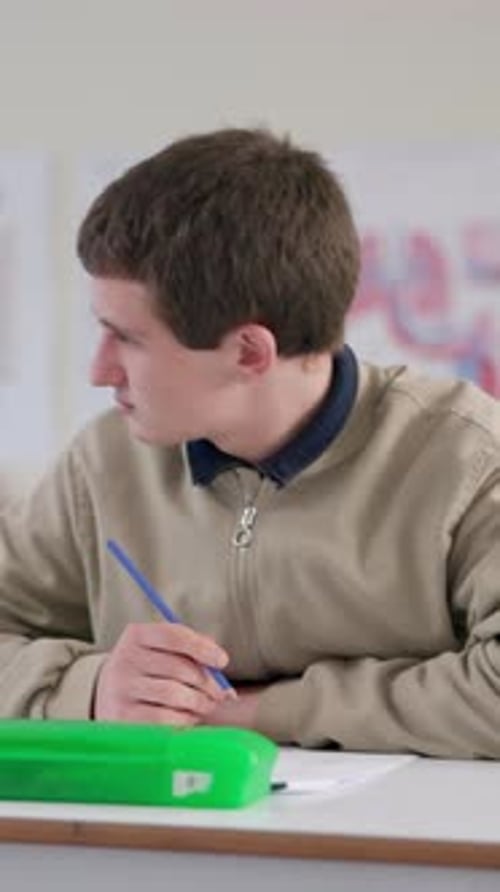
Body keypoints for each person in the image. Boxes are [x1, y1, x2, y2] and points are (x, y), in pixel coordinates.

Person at [1, 127, 500, 759]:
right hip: (152, 844)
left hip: (403, 847)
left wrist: (261, 711)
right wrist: (93, 689)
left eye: (126, 338)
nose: (99, 370)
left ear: (248, 352)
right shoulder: (105, 464)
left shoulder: (466, 456)